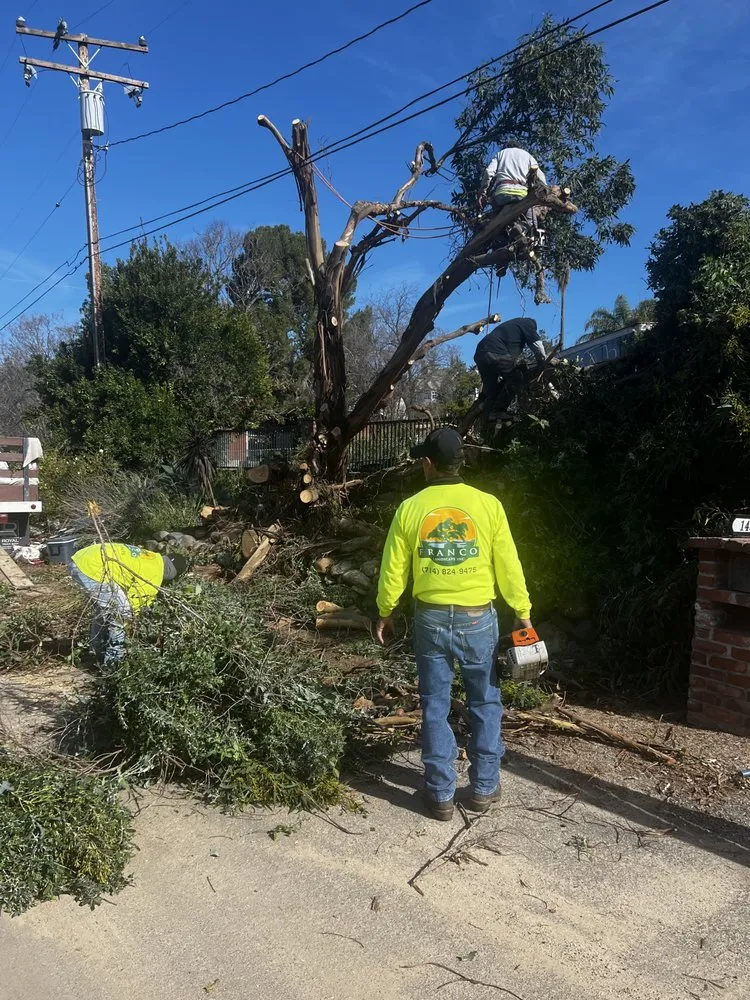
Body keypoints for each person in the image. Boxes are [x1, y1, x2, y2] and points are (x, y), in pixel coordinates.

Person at [375, 428, 534, 821]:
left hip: (430, 616)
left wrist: (385, 609)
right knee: (485, 700)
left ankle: (440, 793)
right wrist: (522, 609)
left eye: (423, 460)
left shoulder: (410, 508)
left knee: (435, 703)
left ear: (429, 464)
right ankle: (484, 787)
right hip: (478, 616)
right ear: (459, 462)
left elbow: (394, 567)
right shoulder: (488, 505)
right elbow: (508, 563)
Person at [68, 542, 187, 665]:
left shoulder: (153, 558)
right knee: (121, 615)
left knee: (105, 610)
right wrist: (132, 624)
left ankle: (96, 652)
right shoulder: (153, 578)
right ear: (171, 573)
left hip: (83, 558)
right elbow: (133, 606)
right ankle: (113, 664)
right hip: (91, 568)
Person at [473, 317, 549, 423]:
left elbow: (510, 358)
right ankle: (498, 411)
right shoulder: (528, 324)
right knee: (516, 377)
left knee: (492, 389)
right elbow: (537, 344)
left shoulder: (512, 327)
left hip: (480, 353)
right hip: (495, 350)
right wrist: (542, 360)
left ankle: (487, 416)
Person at [479, 145, 546, 227]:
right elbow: (541, 177)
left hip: (501, 194)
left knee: (496, 219)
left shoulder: (501, 153)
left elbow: (488, 172)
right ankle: (528, 229)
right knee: (531, 224)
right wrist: (545, 192)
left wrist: (483, 192)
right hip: (521, 195)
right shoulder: (527, 156)